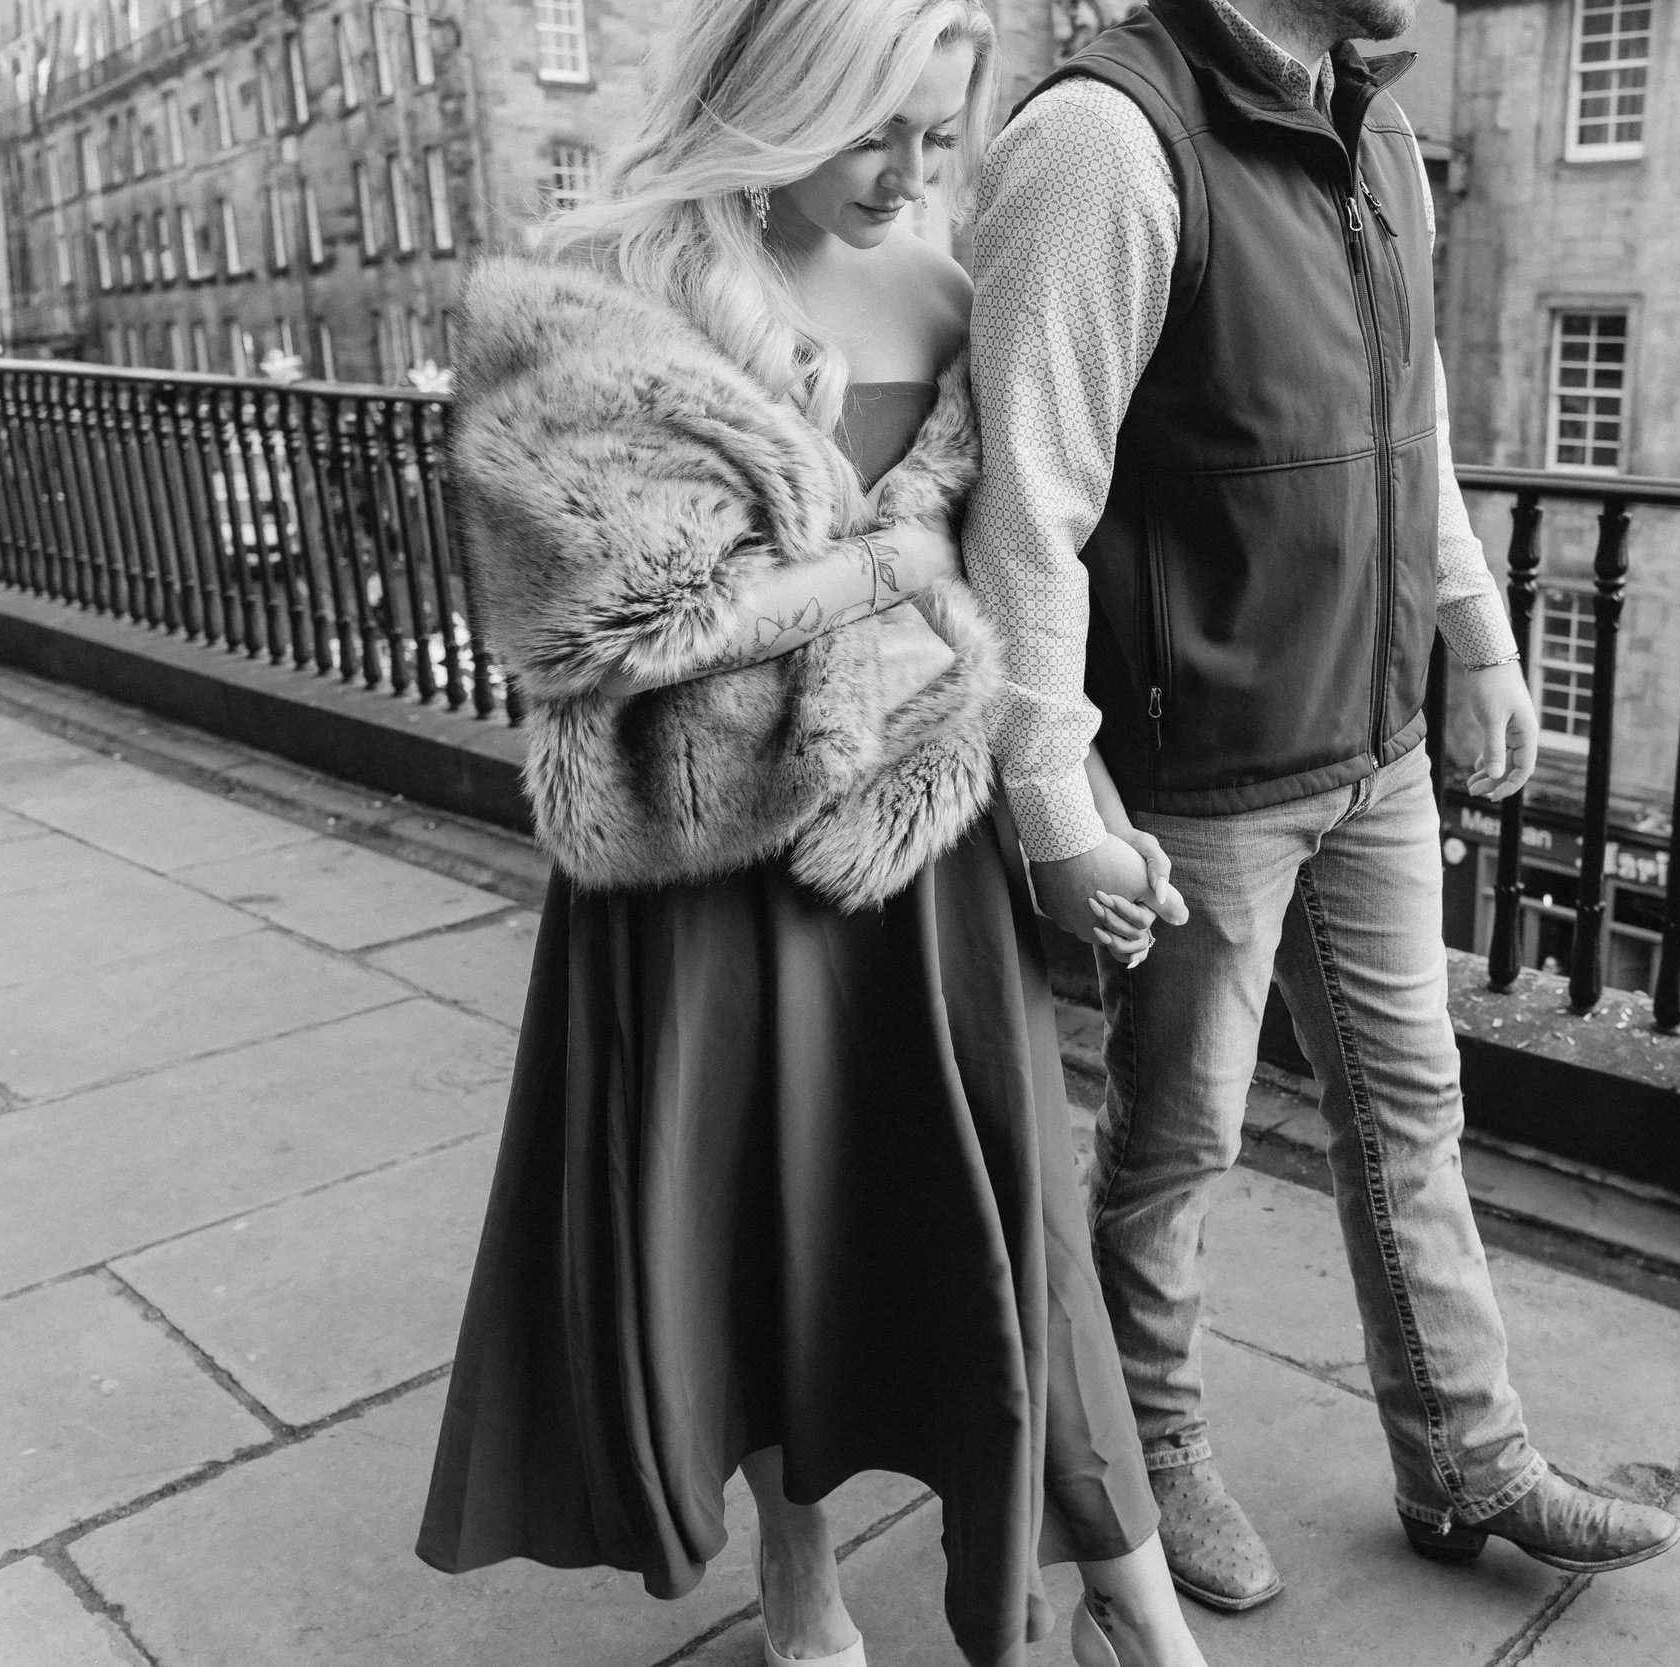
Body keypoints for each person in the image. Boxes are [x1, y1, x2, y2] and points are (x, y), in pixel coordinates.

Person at [411, 2, 1209, 1663]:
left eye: (941, 136)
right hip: (696, 871)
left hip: (915, 850)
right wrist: (877, 572)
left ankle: (1116, 1590)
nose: (914, 177)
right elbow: (607, 633)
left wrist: (1076, 804)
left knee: (1008, 1222)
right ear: (777, 102)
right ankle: (800, 1567)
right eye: (878, 133)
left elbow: (1014, 582)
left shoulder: (943, 293)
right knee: (754, 1218)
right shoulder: (601, 293)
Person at [963, 0, 1680, 1614]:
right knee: (1175, 1142)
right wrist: (1051, 799)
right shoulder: (1103, 141)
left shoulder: (1371, 126)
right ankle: (1146, 1468)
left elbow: (1403, 419)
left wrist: (1472, 632)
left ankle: (1467, 1458)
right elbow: (1028, 507)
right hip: (1205, 765)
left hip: (1375, 746)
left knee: (1412, 1110)